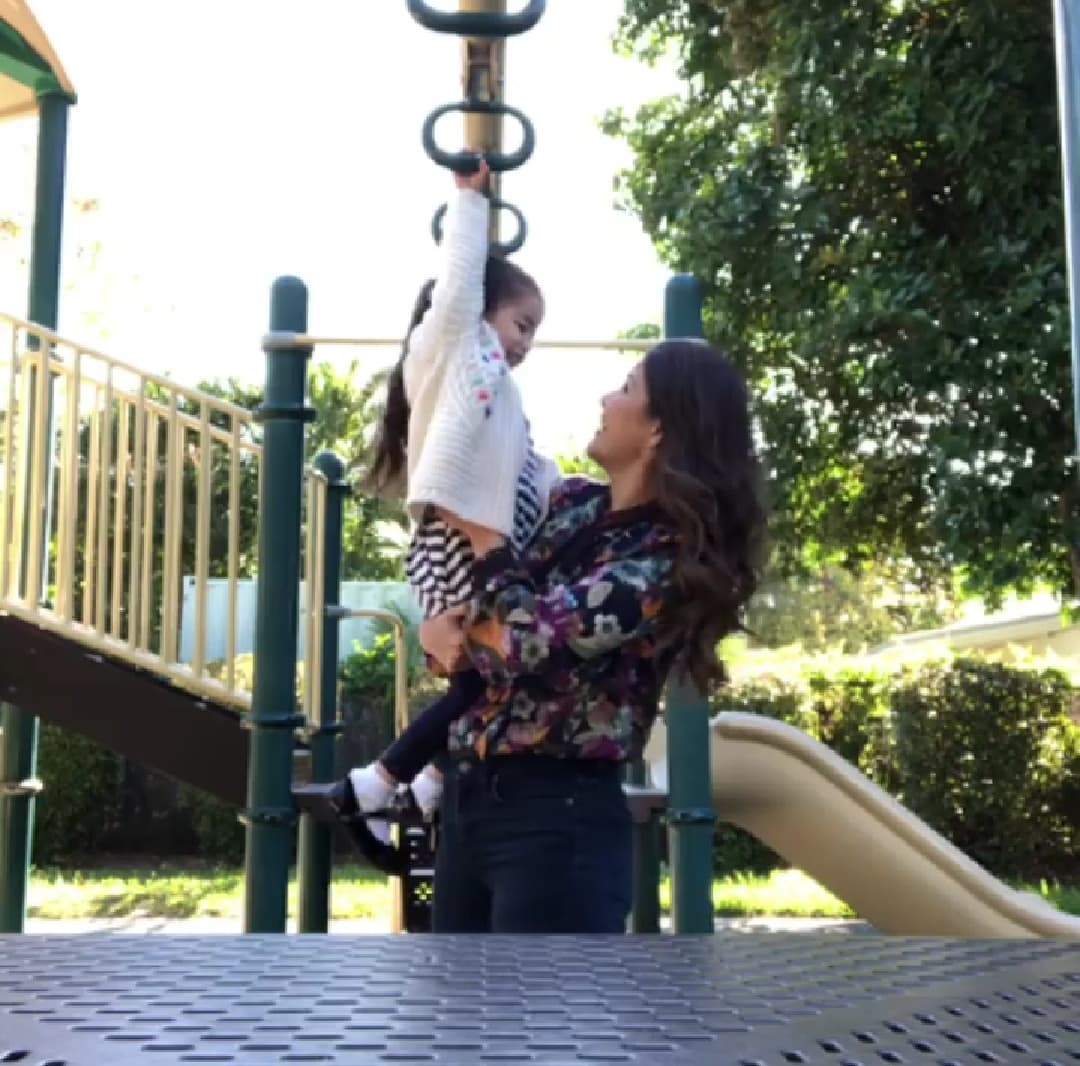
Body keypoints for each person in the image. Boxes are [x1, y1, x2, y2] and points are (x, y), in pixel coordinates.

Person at [419, 338, 767, 933]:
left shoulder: (662, 562)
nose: (607, 399)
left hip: (559, 821)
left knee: (540, 1024)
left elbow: (524, 642)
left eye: (628, 388)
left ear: (658, 430)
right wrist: (441, 629)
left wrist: (486, 545)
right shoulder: (574, 503)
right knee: (462, 1022)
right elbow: (487, 625)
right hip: (471, 800)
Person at [334, 156, 561, 826]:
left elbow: (527, 470)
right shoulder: (455, 347)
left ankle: (413, 784)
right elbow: (460, 287)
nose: (526, 344)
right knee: (488, 675)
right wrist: (469, 204)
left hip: (480, 544)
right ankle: (383, 782)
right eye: (522, 324)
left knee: (488, 676)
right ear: (485, 313)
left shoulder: (504, 392)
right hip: (455, 539)